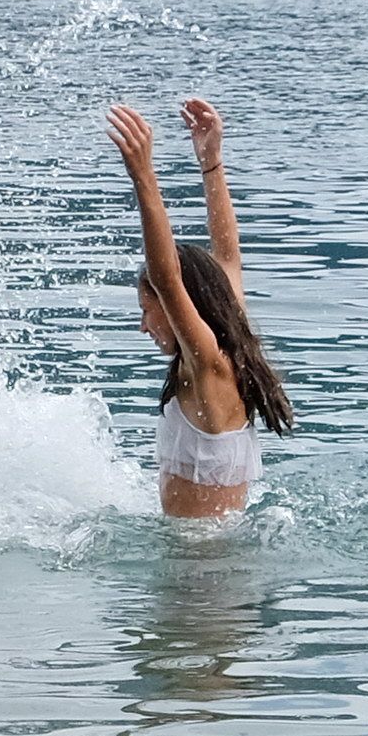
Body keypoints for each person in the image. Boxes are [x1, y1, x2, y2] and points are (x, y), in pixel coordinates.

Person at [105, 95, 289, 519]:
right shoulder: (230, 348)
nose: (142, 326)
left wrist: (143, 176)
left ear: (177, 307)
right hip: (210, 563)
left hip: (198, 576)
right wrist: (211, 162)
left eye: (146, 310)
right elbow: (227, 256)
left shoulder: (209, 365)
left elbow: (168, 279)